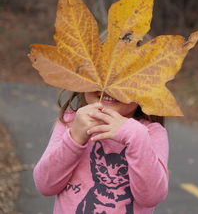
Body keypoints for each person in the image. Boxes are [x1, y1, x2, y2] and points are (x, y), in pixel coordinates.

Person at [33, 90, 169, 214]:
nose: (109, 87)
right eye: (101, 75)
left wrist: (136, 136)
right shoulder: (70, 123)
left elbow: (151, 197)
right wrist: (74, 138)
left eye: (121, 79)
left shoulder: (150, 133)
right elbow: (45, 185)